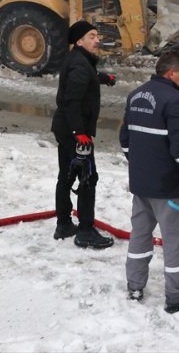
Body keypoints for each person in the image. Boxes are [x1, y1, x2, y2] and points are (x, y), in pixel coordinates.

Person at [120, 51, 179, 313]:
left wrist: (139, 164)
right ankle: (176, 296)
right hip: (168, 186)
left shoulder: (135, 95)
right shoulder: (176, 100)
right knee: (174, 241)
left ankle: (135, 285)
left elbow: (125, 139)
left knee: (140, 234)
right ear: (171, 73)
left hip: (141, 182)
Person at [51, 20, 117, 249]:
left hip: (64, 128)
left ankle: (63, 224)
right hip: (74, 131)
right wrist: (79, 133)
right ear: (79, 41)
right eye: (91, 36)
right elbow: (72, 101)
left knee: (66, 175)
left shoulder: (78, 60)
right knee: (88, 177)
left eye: (97, 36)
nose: (97, 40)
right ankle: (86, 231)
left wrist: (103, 78)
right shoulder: (80, 64)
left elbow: (86, 77)